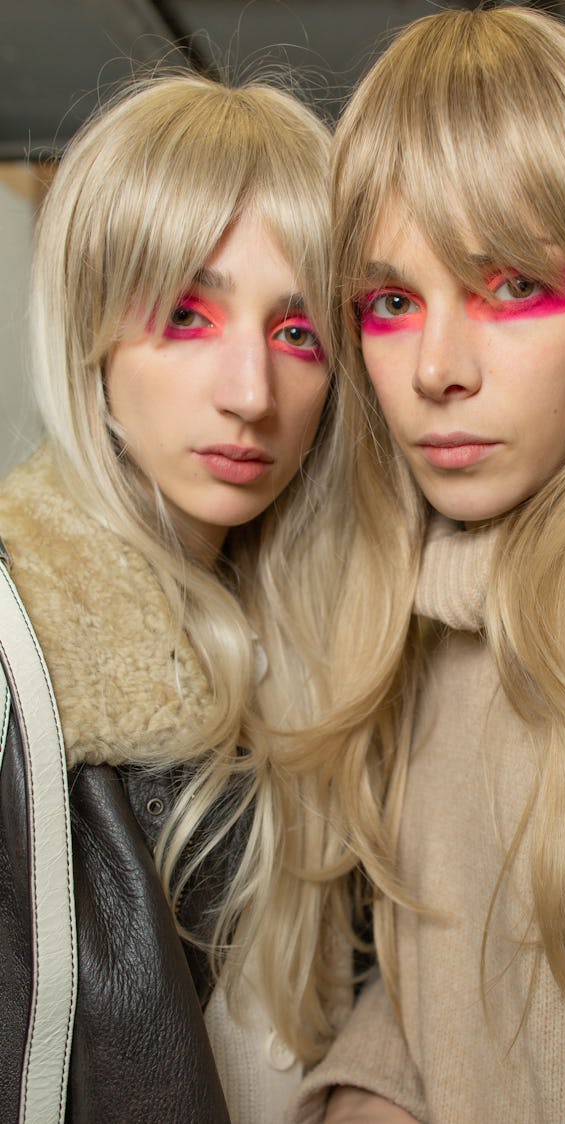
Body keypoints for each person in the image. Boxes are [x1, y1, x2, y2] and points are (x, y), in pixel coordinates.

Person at [290, 6, 565, 1122]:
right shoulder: (413, 608)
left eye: (512, 288)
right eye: (391, 302)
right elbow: (441, 998)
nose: (437, 368)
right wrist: (373, 1088)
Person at [0, 72, 356, 1123]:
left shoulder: (336, 645)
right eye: (188, 314)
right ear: (89, 334)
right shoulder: (21, 649)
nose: (252, 393)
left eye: (299, 332)